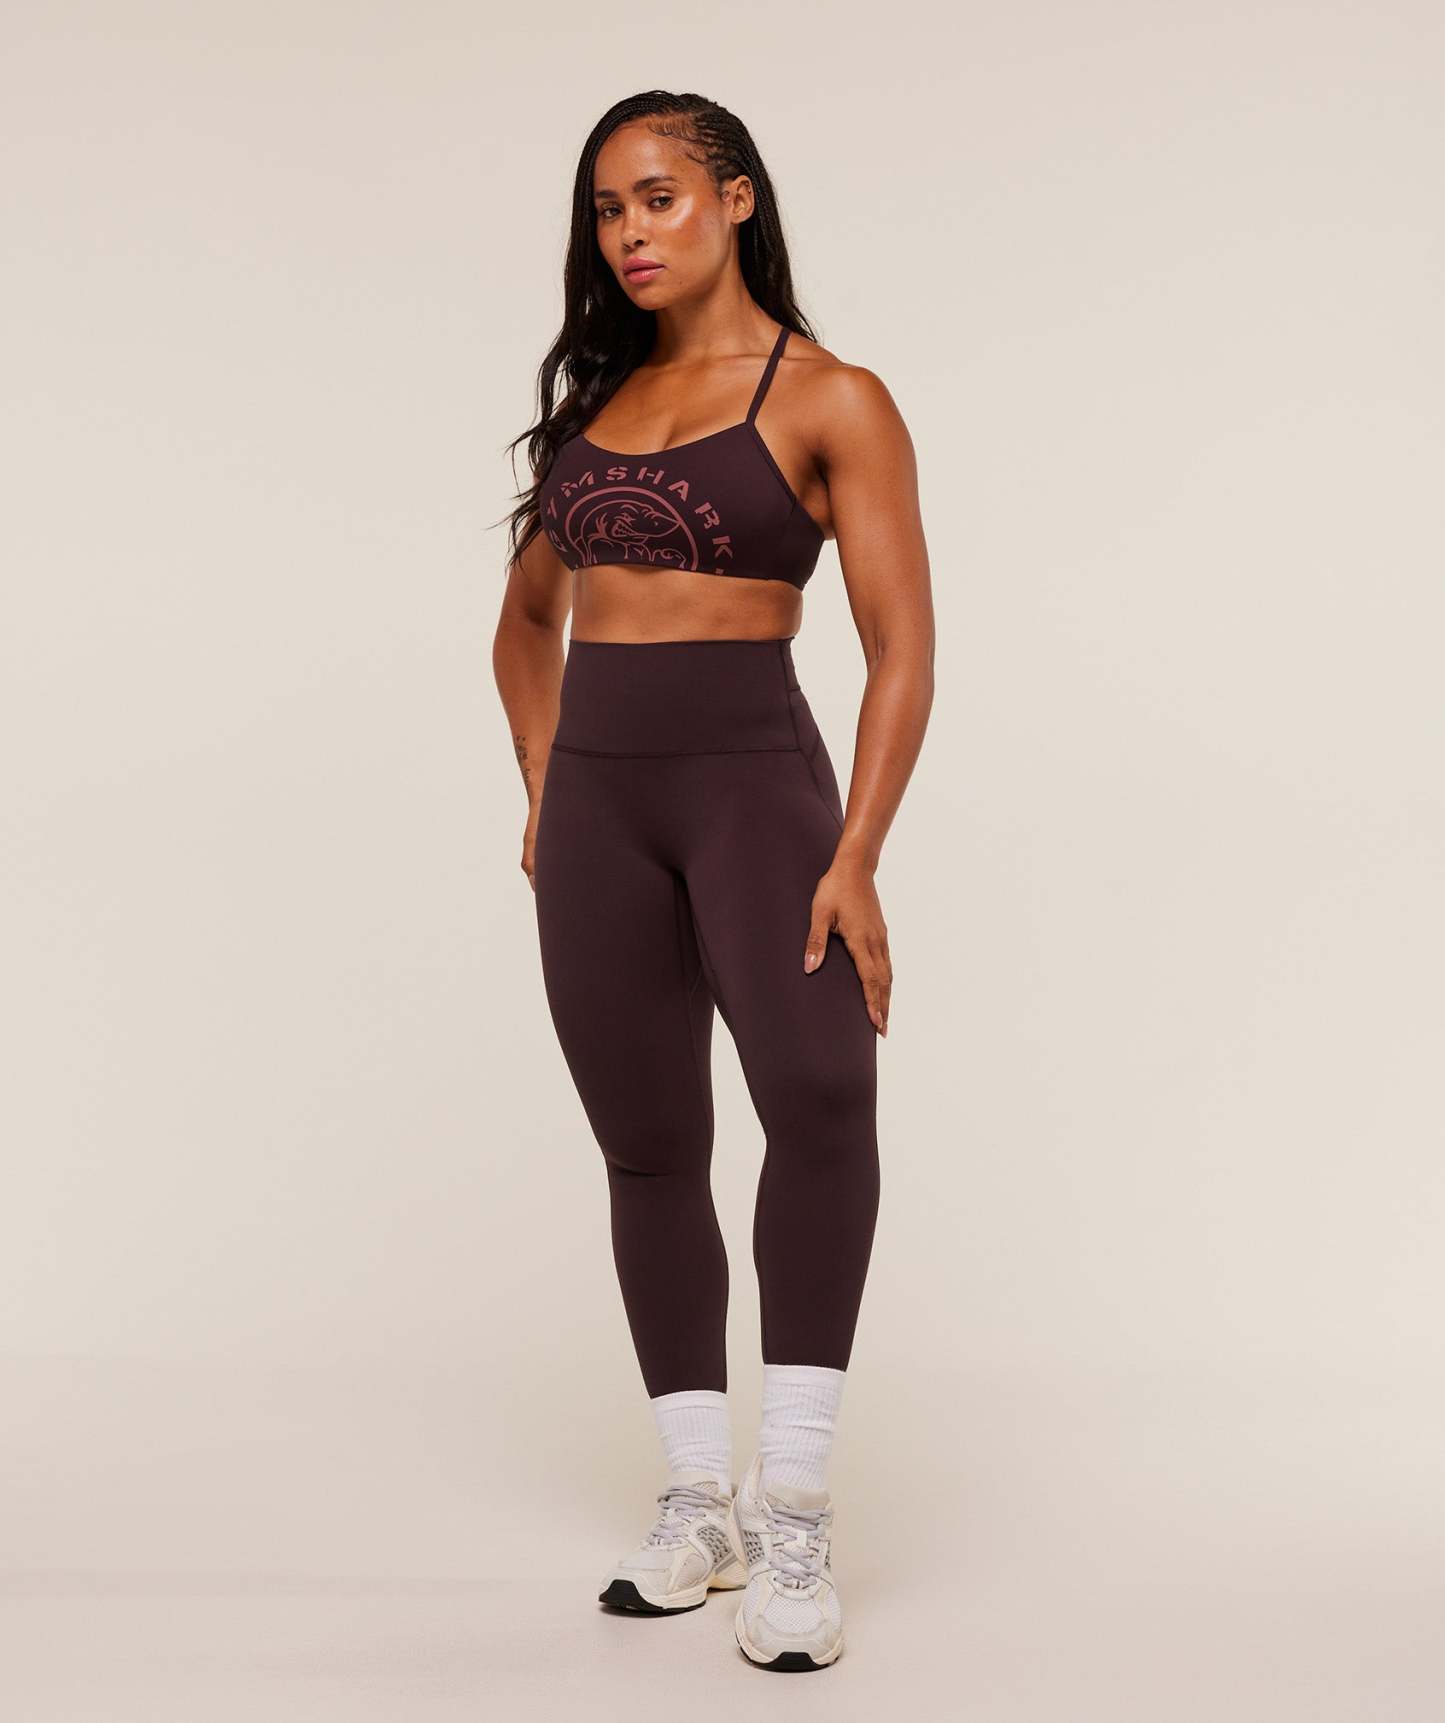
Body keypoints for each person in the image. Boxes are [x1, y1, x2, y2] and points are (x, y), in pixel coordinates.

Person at [492, 89, 934, 1672]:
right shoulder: (593, 407)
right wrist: (545, 785)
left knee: (817, 1097)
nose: (630, 232)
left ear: (736, 198)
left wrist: (856, 853)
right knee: (646, 1143)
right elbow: (523, 623)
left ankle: (793, 1509)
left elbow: (900, 648)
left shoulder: (831, 399)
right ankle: (700, 1503)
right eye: (607, 209)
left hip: (756, 791)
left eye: (659, 196)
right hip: (600, 813)